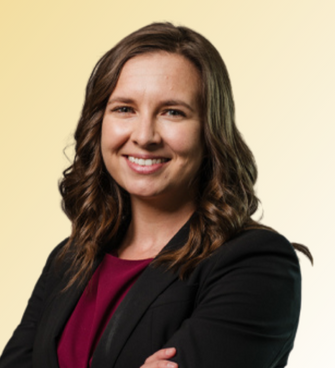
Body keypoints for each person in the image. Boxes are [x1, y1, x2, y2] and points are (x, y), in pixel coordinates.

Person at [0, 22, 312, 368]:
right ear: (98, 123)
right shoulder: (70, 259)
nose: (145, 135)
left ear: (210, 132)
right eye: (124, 109)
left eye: (172, 112)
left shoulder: (255, 265)